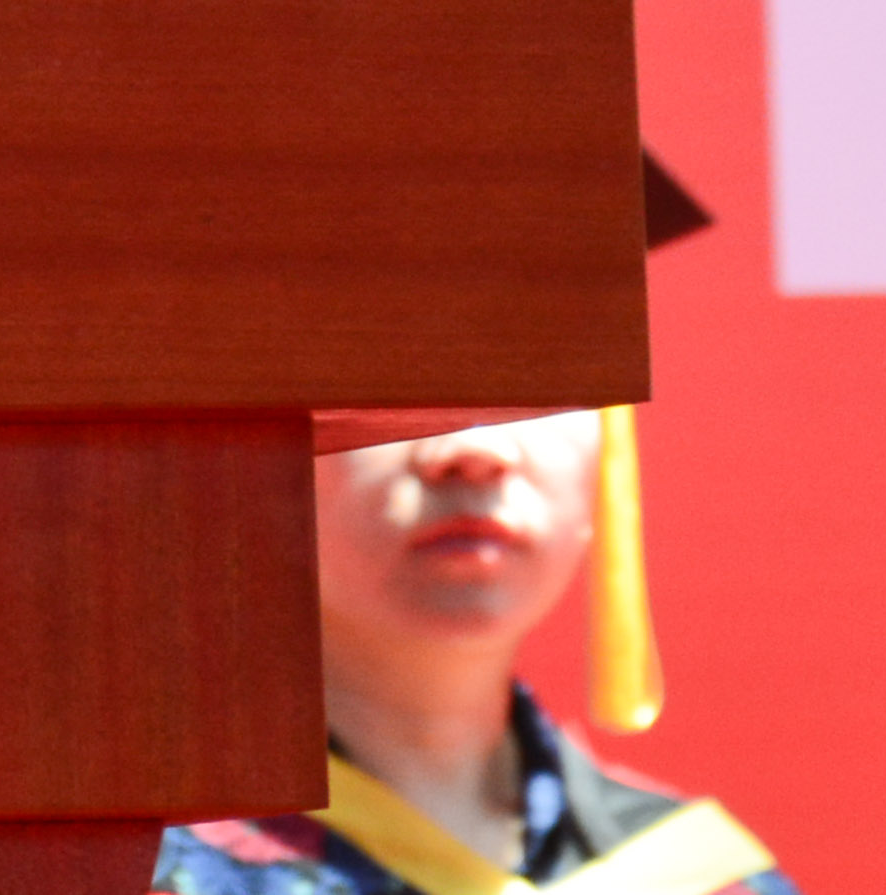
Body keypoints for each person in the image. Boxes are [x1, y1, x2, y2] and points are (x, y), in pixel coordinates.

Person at [162, 163, 795, 895]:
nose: (473, 448)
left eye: (537, 381)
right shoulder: (142, 870)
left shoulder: (708, 879)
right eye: (392, 383)